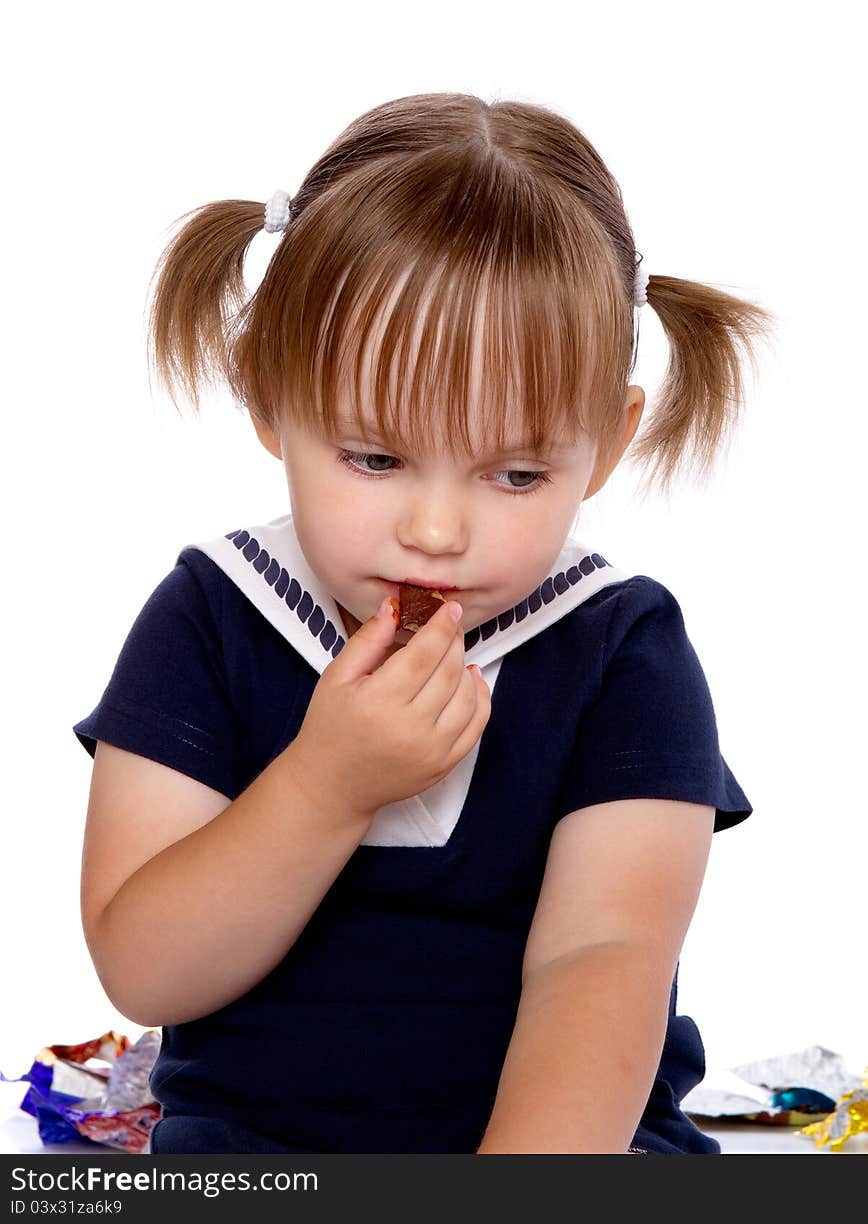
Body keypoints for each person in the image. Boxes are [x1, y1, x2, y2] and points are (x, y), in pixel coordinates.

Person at [73, 92, 775, 1155]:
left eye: (517, 473)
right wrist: (326, 785)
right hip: (259, 1156)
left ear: (610, 439)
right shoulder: (211, 617)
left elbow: (602, 957)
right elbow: (146, 967)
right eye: (376, 458)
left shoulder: (620, 648)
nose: (437, 531)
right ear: (267, 392)